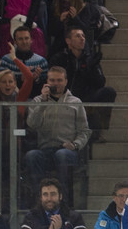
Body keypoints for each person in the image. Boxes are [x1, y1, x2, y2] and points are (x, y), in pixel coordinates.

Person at [24, 65, 91, 199]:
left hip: (67, 150)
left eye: (59, 80)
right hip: (44, 149)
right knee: (32, 156)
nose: (56, 84)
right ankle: (39, 199)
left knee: (62, 155)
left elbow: (84, 131)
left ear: (66, 81)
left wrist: (75, 145)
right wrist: (43, 102)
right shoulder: (38, 101)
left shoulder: (75, 102)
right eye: (52, 80)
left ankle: (63, 200)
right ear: (47, 82)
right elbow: (32, 124)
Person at [49, 27, 116, 139]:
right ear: (68, 41)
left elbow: (100, 83)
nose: (82, 39)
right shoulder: (60, 58)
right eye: (78, 36)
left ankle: (98, 130)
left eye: (83, 36)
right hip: (65, 97)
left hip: (86, 97)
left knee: (109, 92)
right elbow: (54, 80)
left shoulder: (89, 59)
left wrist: (92, 68)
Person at [18, 177, 88, 229]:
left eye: (53, 194)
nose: (49, 199)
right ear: (41, 197)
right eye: (45, 195)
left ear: (60, 196)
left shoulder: (74, 217)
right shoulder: (31, 217)